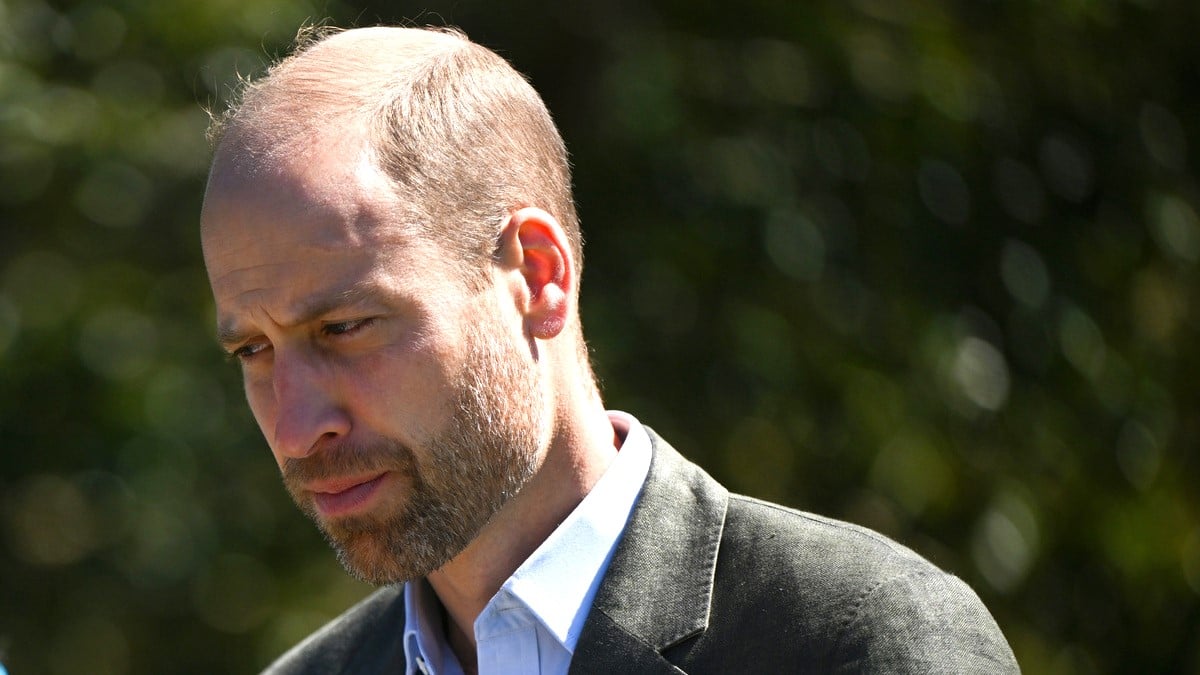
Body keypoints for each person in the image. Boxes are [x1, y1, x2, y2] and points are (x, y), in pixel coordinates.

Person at [200, 25, 1019, 675]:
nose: (298, 425)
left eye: (343, 328)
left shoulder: (864, 642)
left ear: (539, 276)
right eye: (251, 350)